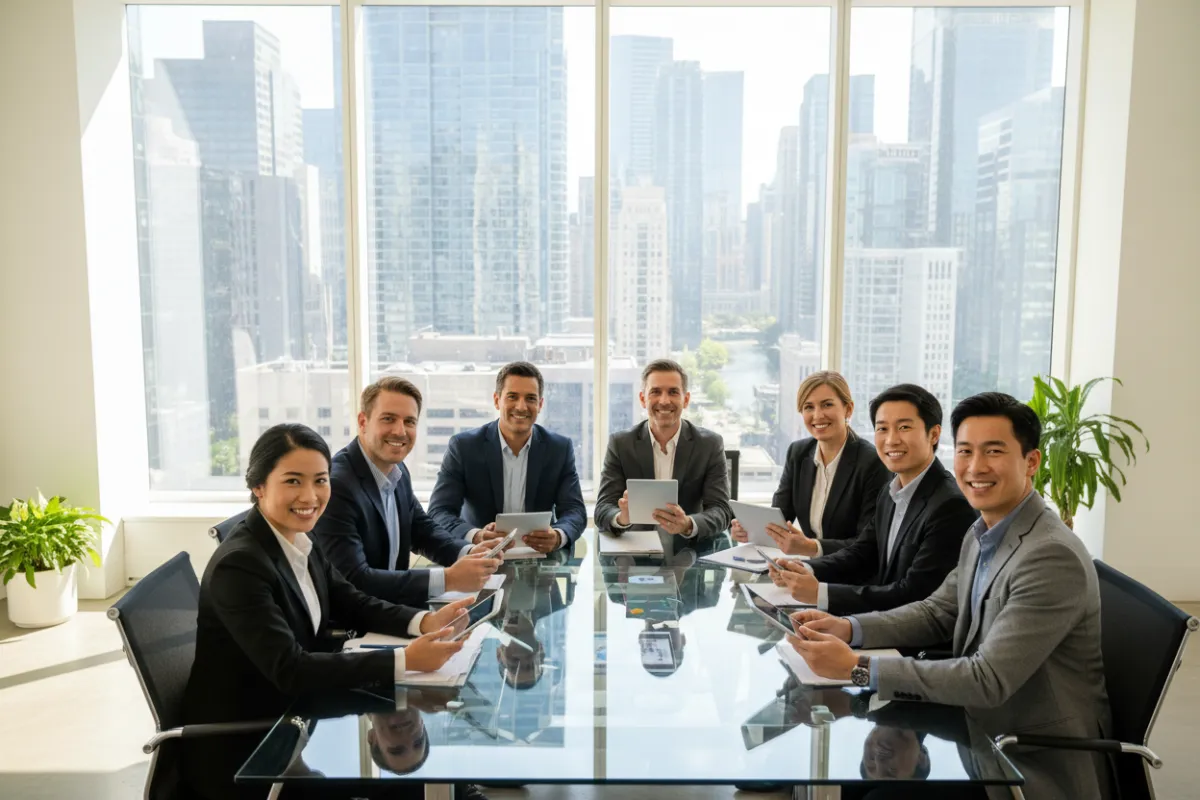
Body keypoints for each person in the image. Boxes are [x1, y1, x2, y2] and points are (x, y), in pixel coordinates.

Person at [785, 392, 1112, 799]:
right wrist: (848, 627)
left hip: (1024, 755)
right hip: (973, 729)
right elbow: (938, 611)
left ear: (1031, 461)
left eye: (994, 452)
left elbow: (987, 679)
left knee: (876, 791)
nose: (976, 467)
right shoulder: (986, 530)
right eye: (965, 451)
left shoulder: (1049, 555)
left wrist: (858, 667)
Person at [181, 424, 474, 800]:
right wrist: (404, 659)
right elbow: (290, 669)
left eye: (320, 480)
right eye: (293, 481)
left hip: (297, 712)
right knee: (398, 790)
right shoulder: (240, 566)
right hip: (250, 745)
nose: (311, 496)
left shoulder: (298, 537)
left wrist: (422, 621)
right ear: (258, 487)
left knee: (430, 780)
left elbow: (350, 600)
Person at [767, 384, 977, 614]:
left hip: (908, 638)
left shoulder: (951, 505)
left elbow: (915, 594)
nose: (891, 440)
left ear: (934, 434)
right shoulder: (891, 491)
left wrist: (821, 593)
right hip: (879, 618)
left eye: (904, 427)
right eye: (882, 429)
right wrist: (805, 568)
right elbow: (863, 552)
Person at [315, 377, 500, 606]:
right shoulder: (338, 486)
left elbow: (421, 529)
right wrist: (448, 579)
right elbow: (354, 579)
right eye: (388, 419)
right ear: (363, 421)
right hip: (355, 627)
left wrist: (470, 552)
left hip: (393, 610)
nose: (400, 431)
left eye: (409, 422)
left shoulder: (397, 469)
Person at [428, 361, 587, 553]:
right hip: (480, 557)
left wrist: (558, 536)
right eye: (512, 397)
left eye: (530, 398)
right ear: (497, 400)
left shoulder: (559, 449)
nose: (521, 407)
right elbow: (439, 512)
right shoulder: (464, 447)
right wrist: (475, 535)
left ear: (540, 404)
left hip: (538, 560)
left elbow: (575, 511)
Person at [732, 371, 889, 557]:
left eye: (827, 404)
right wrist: (751, 529)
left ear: (848, 409)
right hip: (809, 567)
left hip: (851, 575)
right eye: (808, 407)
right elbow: (779, 517)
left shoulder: (872, 462)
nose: (817, 415)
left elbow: (868, 544)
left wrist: (812, 547)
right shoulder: (798, 453)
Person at [594, 359, 733, 539]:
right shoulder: (621, 444)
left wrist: (688, 524)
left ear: (686, 399)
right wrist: (622, 518)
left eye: (673, 392)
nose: (664, 401)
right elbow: (603, 508)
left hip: (689, 554)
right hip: (635, 555)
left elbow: (721, 510)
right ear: (643, 399)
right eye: (656, 392)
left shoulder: (709, 445)